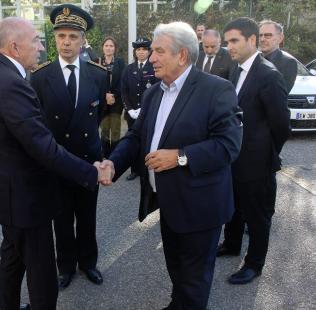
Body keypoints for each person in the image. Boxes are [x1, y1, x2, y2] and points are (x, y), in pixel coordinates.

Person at [100, 21, 243, 309]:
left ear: (182, 56)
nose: (151, 57)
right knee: (177, 268)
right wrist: (113, 163)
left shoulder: (216, 89)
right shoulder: (155, 92)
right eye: (152, 51)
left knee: (195, 278)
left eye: (158, 51)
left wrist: (180, 155)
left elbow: (228, 146)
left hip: (201, 208)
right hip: (168, 202)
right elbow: (137, 136)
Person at [0, 17, 111, 310]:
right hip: (24, 197)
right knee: (41, 271)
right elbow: (43, 145)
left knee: (12, 259)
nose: (41, 46)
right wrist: (90, 171)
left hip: (8, 193)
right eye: (36, 40)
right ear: (14, 45)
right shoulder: (13, 84)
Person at [30, 4, 107, 290]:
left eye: (73, 36)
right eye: (61, 35)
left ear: (82, 40)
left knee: (87, 217)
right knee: (61, 219)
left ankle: (89, 263)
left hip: (88, 160)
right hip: (57, 162)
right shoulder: (39, 77)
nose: (66, 42)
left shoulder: (98, 75)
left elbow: (96, 118)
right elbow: (38, 123)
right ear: (55, 39)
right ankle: (66, 266)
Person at [218, 17, 291, 285]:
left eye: (234, 41)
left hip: (257, 162)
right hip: (234, 158)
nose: (229, 47)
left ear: (252, 40)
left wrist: (266, 153)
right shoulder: (238, 69)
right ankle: (231, 244)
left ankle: (254, 264)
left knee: (258, 216)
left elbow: (282, 125)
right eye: (227, 42)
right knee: (234, 207)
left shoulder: (269, 75)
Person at [120, 37, 159, 181]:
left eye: (144, 49)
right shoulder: (128, 69)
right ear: (135, 52)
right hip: (132, 114)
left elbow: (157, 90)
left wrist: (144, 108)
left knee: (147, 141)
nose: (141, 52)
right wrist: (129, 109)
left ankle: (146, 168)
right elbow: (123, 91)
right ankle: (134, 170)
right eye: (138, 49)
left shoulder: (154, 67)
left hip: (148, 112)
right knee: (133, 141)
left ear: (149, 51)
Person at [98, 36, 126, 157]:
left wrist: (113, 95)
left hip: (116, 101)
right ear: (103, 47)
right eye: (106, 45)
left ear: (115, 48)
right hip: (102, 100)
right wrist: (105, 95)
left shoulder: (120, 62)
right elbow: (94, 81)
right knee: (104, 128)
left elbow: (122, 81)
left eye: (111, 46)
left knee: (115, 128)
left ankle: (114, 154)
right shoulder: (97, 61)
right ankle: (105, 153)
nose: (109, 48)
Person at [259, 20, 298, 93]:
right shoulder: (253, 60)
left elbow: (279, 94)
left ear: (280, 38)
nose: (262, 39)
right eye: (260, 35)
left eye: (268, 35)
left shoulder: (288, 63)